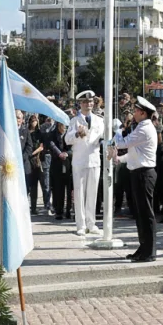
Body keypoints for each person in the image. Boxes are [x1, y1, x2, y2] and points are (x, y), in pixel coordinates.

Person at [109, 96, 158, 262]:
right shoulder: (141, 127)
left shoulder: (144, 128)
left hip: (144, 174)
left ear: (143, 113)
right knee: (139, 214)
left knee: (146, 214)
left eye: (137, 110)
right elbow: (134, 153)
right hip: (138, 172)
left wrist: (117, 130)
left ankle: (149, 251)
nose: (134, 113)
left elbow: (123, 143)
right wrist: (119, 160)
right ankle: (143, 247)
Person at [65, 91, 104, 237]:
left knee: (92, 193)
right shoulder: (74, 121)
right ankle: (80, 225)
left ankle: (91, 223)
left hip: (94, 160)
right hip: (79, 160)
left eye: (91, 102)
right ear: (81, 104)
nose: (89, 104)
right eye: (86, 102)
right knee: (80, 193)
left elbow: (102, 137)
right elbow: (67, 140)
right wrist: (76, 134)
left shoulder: (99, 120)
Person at [48, 122, 72, 221]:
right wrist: (59, 154)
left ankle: (69, 210)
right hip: (57, 165)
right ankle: (59, 211)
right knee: (58, 190)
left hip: (69, 165)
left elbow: (73, 148)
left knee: (70, 190)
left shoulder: (70, 134)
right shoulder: (52, 134)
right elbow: (52, 145)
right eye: (63, 126)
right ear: (59, 126)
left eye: (66, 127)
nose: (65, 128)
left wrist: (67, 153)